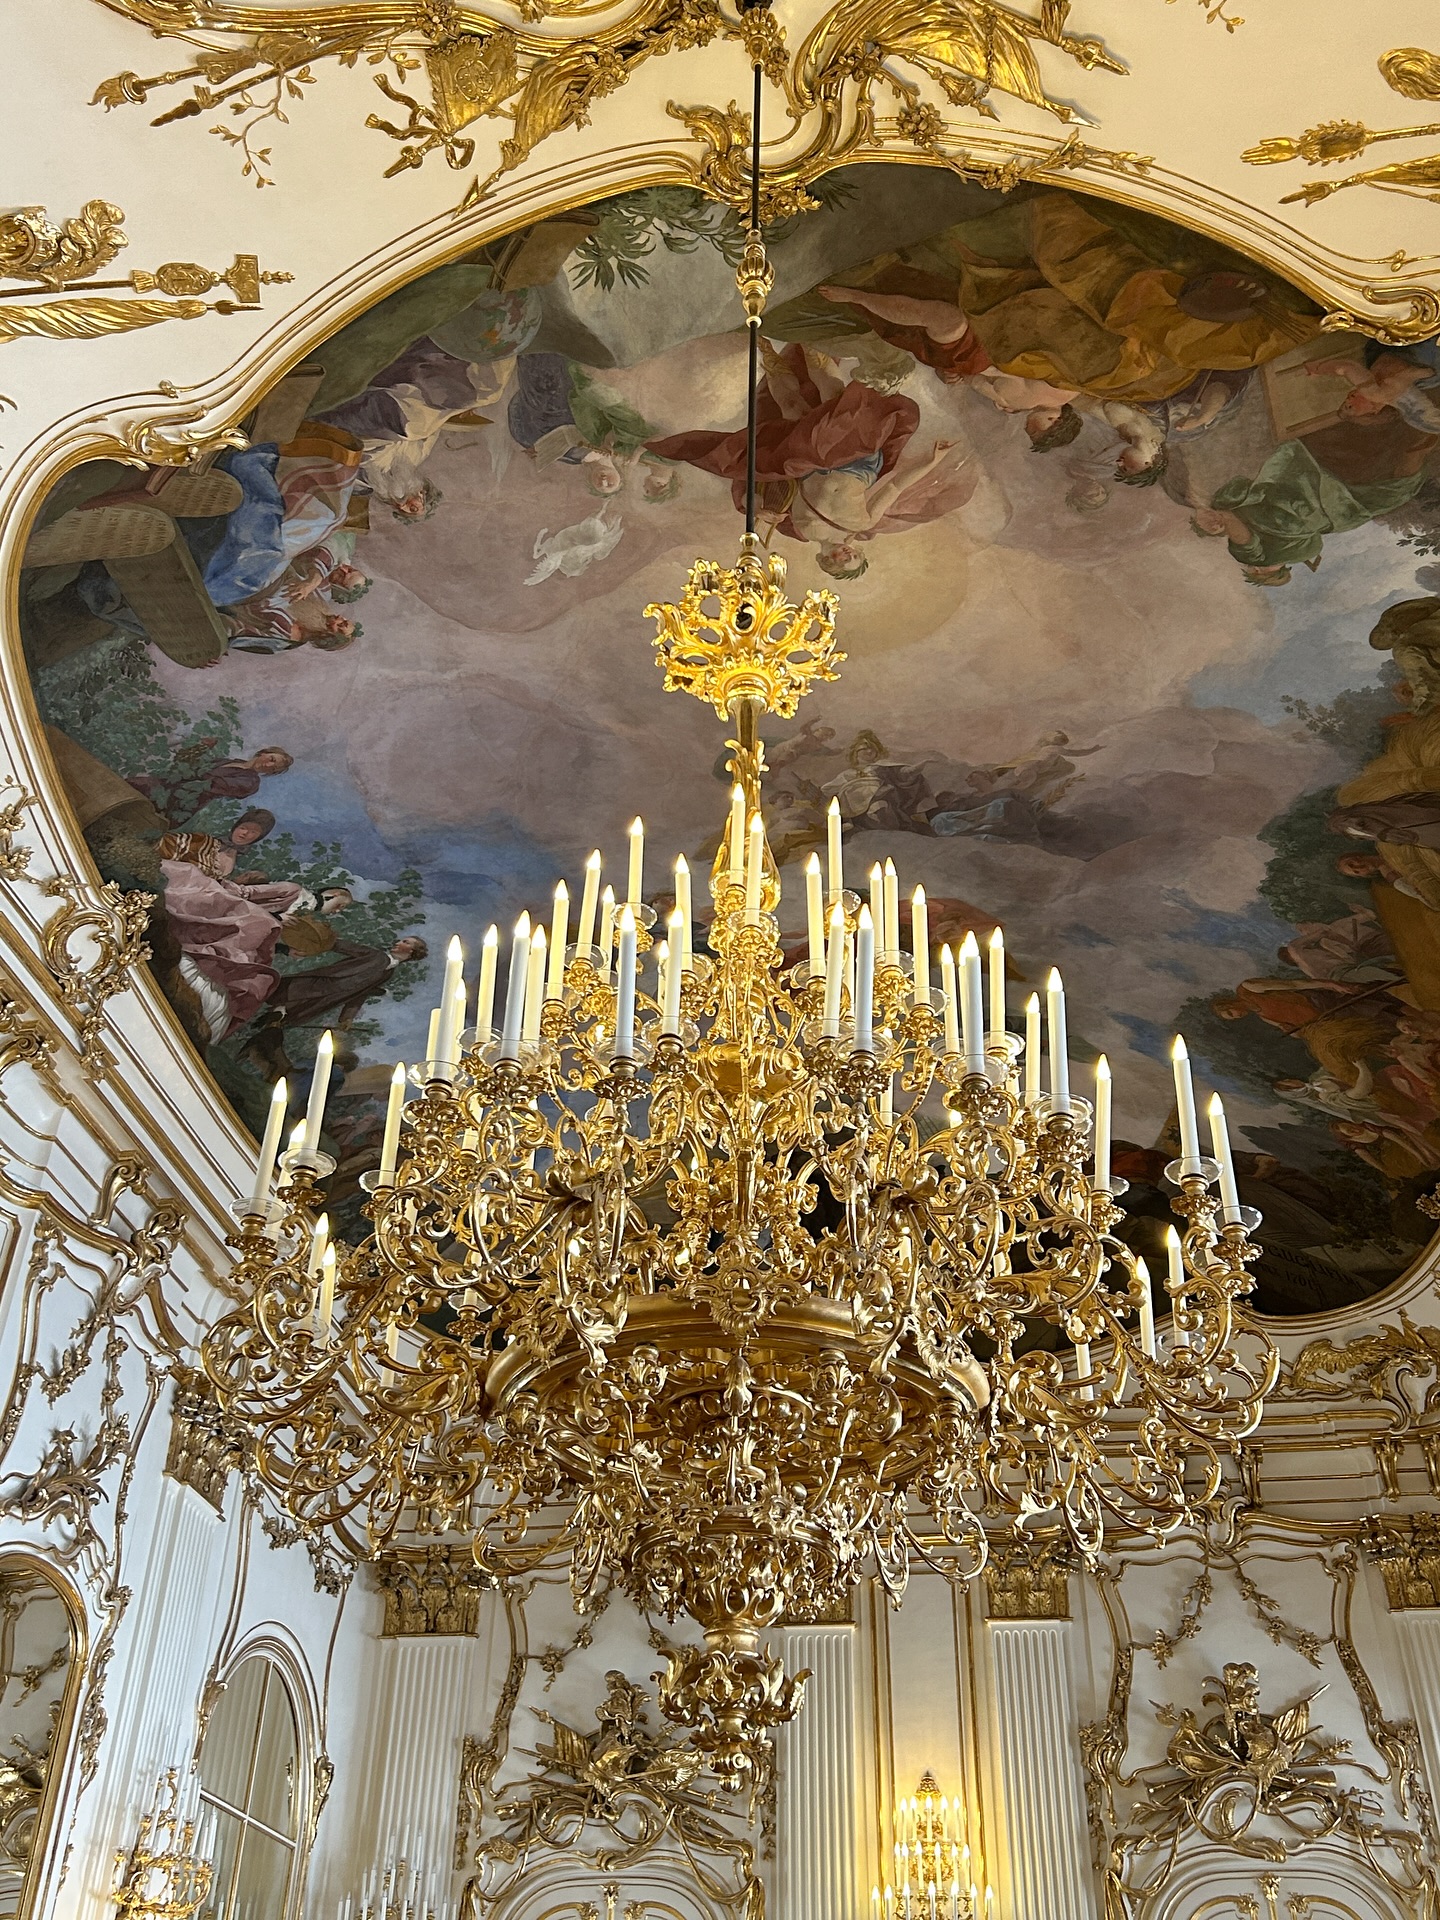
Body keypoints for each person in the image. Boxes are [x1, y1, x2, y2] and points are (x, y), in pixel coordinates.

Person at [258, 933, 429, 1029]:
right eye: (401, 940)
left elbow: (360, 995)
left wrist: (347, 1018)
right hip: (322, 982)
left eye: (405, 942)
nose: (399, 942)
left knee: (290, 1012)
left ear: (412, 952)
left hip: (331, 996)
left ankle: (272, 1016)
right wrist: (322, 938)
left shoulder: (387, 973)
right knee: (277, 993)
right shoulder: (377, 955)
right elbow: (345, 947)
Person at [128, 746, 292, 826]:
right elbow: (191, 766)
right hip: (168, 786)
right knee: (131, 783)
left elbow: (210, 784)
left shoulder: (250, 782)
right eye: (271, 759)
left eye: (274, 769)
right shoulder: (228, 760)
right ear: (263, 753)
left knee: (136, 789)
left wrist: (194, 769)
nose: (269, 766)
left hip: (179, 803)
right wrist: (200, 749)